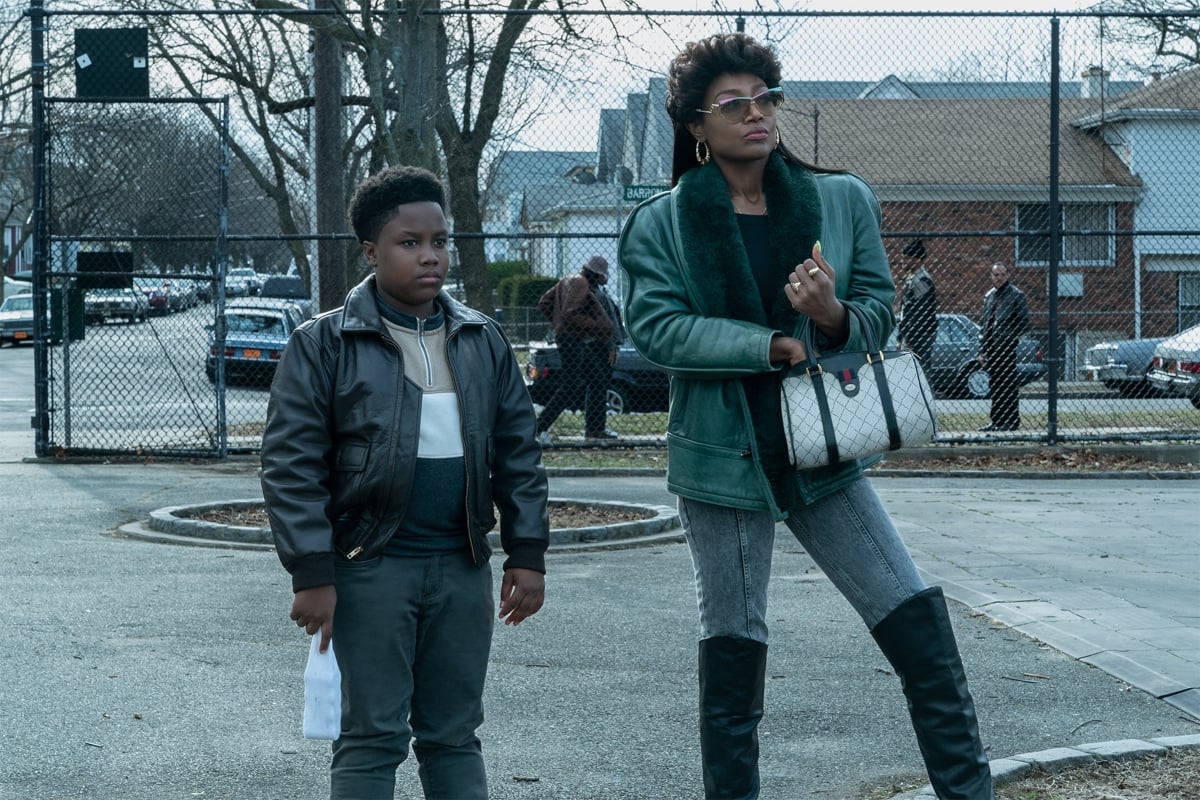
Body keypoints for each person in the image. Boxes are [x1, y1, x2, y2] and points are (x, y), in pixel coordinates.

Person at [617, 33, 994, 800]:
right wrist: (774, 344)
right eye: (733, 104)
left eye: (766, 98)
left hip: (826, 447)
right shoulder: (660, 224)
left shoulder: (842, 199)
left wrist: (831, 317)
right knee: (734, 646)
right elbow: (657, 329)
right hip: (722, 460)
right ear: (696, 124)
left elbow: (881, 313)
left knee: (914, 618)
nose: (756, 114)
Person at [260, 165, 549, 800]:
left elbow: (518, 453)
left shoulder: (480, 339)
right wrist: (312, 570)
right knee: (371, 736)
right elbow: (291, 464)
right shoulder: (325, 343)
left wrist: (527, 554)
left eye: (440, 241)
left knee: (453, 734)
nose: (430, 256)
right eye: (409, 242)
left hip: (460, 564)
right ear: (371, 250)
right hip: (368, 568)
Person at [534, 255, 624, 443]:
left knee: (597, 378)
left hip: (572, 338)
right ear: (594, 274)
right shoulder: (582, 283)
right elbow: (570, 313)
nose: (600, 283)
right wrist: (594, 325)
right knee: (570, 386)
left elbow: (544, 303)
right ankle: (539, 428)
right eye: (600, 278)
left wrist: (558, 324)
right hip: (572, 340)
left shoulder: (567, 280)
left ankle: (595, 429)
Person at [978, 262, 1029, 432]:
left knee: (1008, 386)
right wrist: (982, 350)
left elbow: (1023, 324)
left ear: (1007, 276)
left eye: (1001, 274)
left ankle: (1011, 421)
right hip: (991, 348)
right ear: (991, 276)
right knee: (995, 386)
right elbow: (985, 325)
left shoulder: (1016, 295)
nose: (998, 278)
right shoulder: (989, 296)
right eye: (995, 275)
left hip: (1006, 348)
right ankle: (997, 421)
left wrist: (1009, 339)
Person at [897, 238, 939, 365]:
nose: (903, 262)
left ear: (917, 260)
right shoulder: (913, 278)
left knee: (921, 370)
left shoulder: (921, 281)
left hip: (920, 336)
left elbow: (920, 313)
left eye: (907, 258)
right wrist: (901, 337)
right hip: (913, 334)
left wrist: (910, 340)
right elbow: (907, 311)